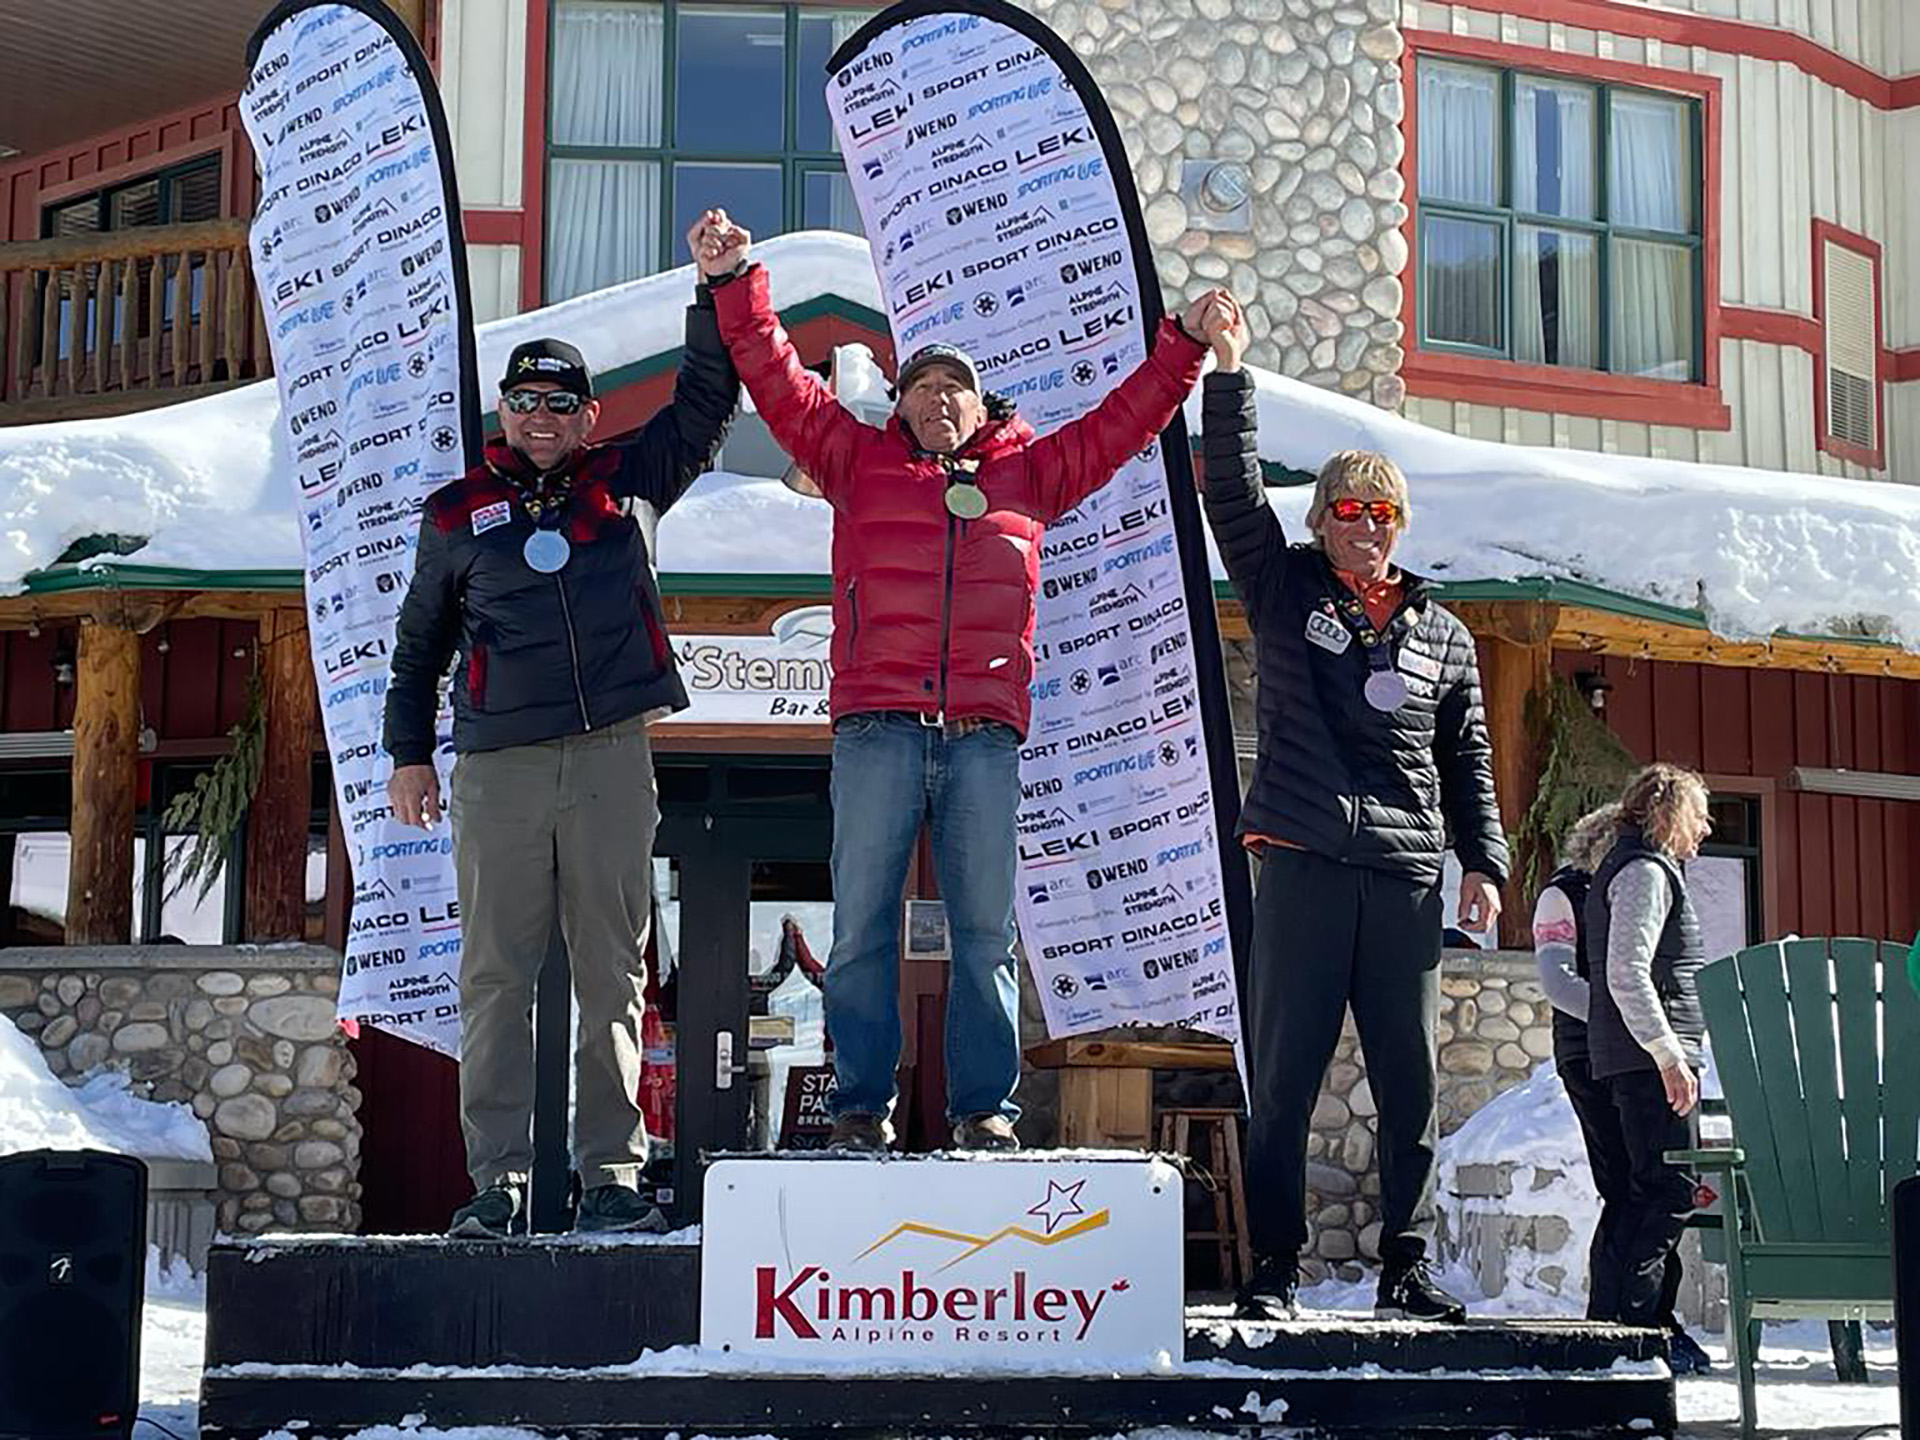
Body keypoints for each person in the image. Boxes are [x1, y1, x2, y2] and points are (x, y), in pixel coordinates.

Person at [695, 215, 1232, 1153]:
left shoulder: (1029, 473)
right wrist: (737, 278)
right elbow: (777, 381)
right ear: (896, 407)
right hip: (879, 730)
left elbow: (1123, 422)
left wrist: (1181, 345)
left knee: (985, 937)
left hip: (983, 736)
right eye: (922, 387)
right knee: (859, 928)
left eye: (956, 387)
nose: (939, 398)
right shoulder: (855, 462)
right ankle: (860, 1108)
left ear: (984, 410)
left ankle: (984, 1111)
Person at [382, 215, 741, 1237]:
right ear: (504, 410)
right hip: (497, 762)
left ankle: (612, 1179)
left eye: (562, 403)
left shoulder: (623, 481)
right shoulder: (456, 513)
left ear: (589, 416)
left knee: (612, 974)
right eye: (525, 401)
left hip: (610, 755)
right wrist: (411, 755)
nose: (543, 418)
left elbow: (707, 402)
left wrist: (715, 290)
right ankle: (496, 1185)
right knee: (496, 976)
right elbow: (419, 650)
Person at [1199, 298, 1508, 1322]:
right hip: (1303, 861)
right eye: (1350, 511)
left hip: (1409, 878)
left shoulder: (1444, 635)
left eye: (1385, 515)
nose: (1368, 528)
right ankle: (1275, 1268)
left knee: (1411, 1091)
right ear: (1322, 518)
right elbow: (1232, 495)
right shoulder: (1284, 592)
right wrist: (1229, 372)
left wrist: (1487, 862)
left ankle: (1406, 1267)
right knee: (1285, 1078)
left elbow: (1469, 756)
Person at [1537, 800, 1712, 1373]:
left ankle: (1642, 1319)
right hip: (1592, 1054)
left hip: (1628, 1046)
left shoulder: (1638, 886)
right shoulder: (1568, 892)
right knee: (1636, 1189)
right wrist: (1622, 1019)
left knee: (1641, 1190)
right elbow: (1558, 982)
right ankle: (1624, 1322)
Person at [1583, 764, 1712, 1342]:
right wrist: (1668, 1054)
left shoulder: (1631, 865)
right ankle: (1638, 1323)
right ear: (1667, 815)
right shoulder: (1645, 872)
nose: (1706, 828)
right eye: (1698, 815)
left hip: (1626, 1056)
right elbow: (1627, 971)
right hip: (1645, 1061)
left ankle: (1611, 1323)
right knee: (1668, 1190)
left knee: (1637, 1191)